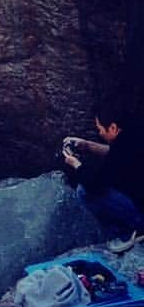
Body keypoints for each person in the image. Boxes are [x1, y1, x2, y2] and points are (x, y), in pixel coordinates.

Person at [62, 99, 144, 244]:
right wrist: (87, 145)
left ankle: (126, 233)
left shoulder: (121, 149)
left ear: (113, 127)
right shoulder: (134, 135)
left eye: (100, 129)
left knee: (84, 191)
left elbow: (95, 183)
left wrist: (75, 163)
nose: (100, 133)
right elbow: (117, 153)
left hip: (140, 213)